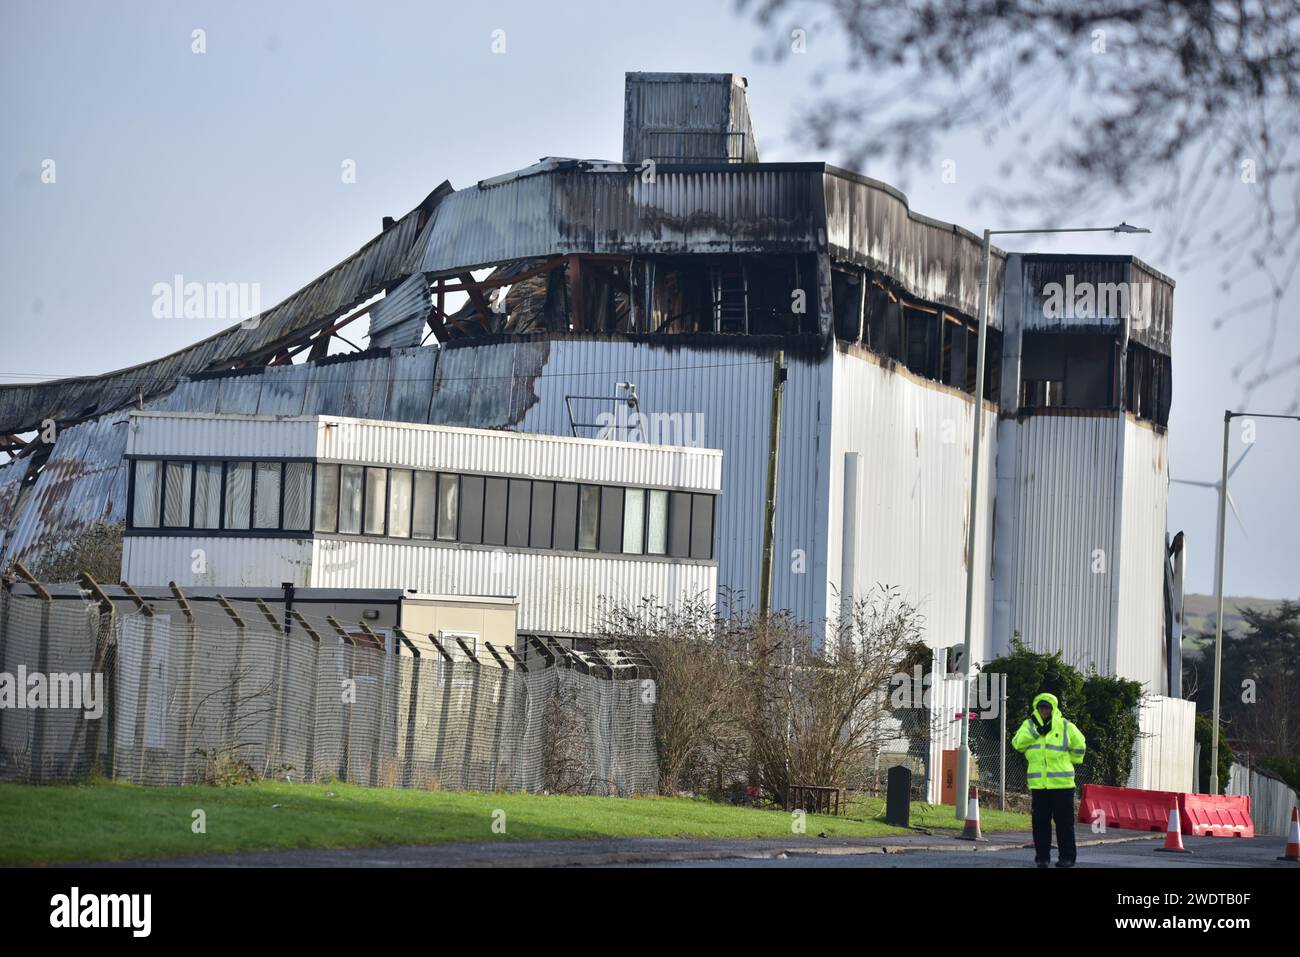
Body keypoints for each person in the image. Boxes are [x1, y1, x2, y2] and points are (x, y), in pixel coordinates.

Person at [1011, 691, 1087, 867]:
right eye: (1041, 707)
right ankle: (1042, 859)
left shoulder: (1065, 726)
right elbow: (1017, 743)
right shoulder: (1029, 725)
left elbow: (1080, 745)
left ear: (1053, 709)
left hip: (1062, 785)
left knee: (1064, 824)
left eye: (1047, 707)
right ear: (1037, 709)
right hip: (1039, 785)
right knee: (1040, 825)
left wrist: (1072, 760)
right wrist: (1036, 731)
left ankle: (1067, 858)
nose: (1044, 710)